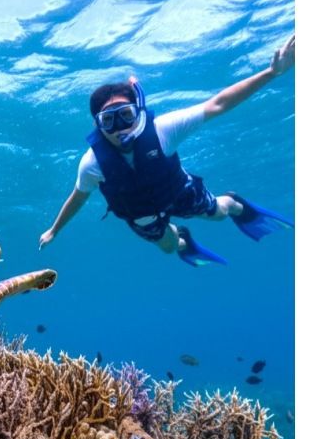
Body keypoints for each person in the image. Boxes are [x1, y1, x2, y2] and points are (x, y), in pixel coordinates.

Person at [38, 35, 295, 266]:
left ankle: (234, 202)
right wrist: (54, 230)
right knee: (170, 248)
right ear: (98, 124)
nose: (119, 128)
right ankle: (182, 238)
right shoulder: (92, 163)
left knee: (218, 214)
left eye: (126, 115)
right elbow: (78, 197)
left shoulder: (163, 130)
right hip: (141, 214)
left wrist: (271, 73)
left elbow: (219, 104)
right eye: (109, 121)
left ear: (138, 111)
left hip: (179, 190)